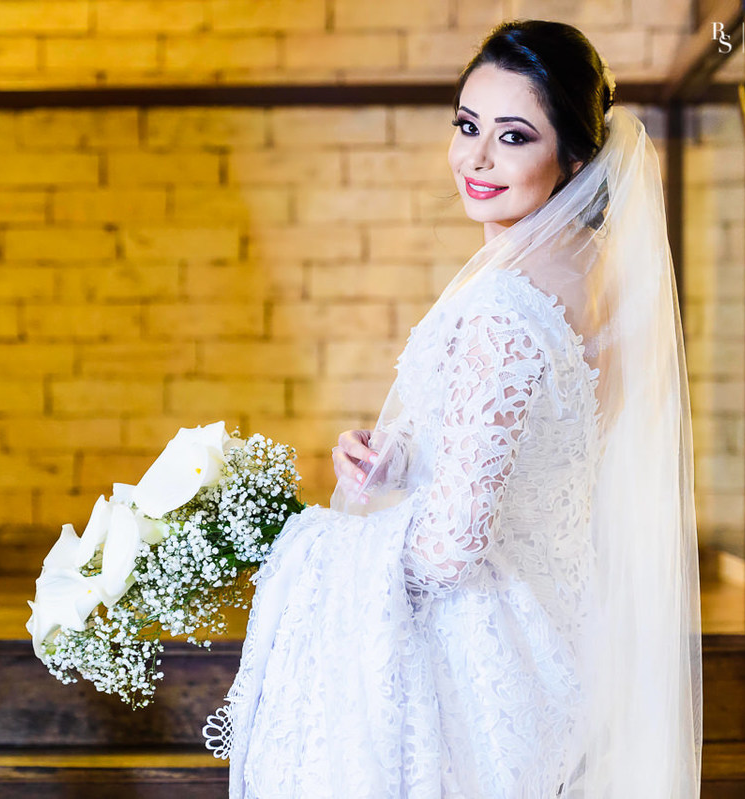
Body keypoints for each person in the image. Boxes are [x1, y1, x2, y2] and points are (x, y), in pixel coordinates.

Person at [204, 19, 702, 799]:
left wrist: (318, 547)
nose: (475, 157)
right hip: (555, 634)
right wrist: (403, 453)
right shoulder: (595, 278)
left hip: (474, 657)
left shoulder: (506, 302)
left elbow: (448, 551)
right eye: (467, 126)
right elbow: (549, 452)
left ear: (573, 156)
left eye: (512, 136)